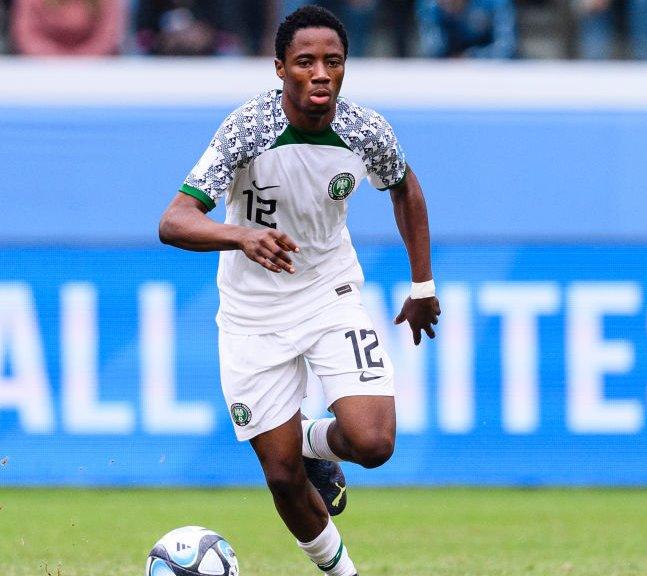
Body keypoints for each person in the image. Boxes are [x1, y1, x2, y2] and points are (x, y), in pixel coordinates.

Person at [158, 5, 440, 576]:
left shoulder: (365, 130)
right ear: (280, 67)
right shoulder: (247, 128)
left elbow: (405, 188)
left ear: (344, 68)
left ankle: (311, 439)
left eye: (332, 62)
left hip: (328, 291)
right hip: (251, 314)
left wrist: (422, 282)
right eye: (305, 62)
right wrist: (240, 236)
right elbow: (175, 220)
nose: (320, 74)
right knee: (283, 477)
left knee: (374, 443)